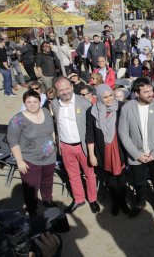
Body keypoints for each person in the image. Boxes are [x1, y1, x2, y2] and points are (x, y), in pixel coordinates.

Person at [118, 77, 154, 220]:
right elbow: (123, 133)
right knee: (139, 182)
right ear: (136, 93)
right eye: (146, 92)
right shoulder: (127, 108)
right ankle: (140, 202)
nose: (150, 94)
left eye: (151, 90)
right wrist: (136, 154)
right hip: (137, 156)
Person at [51, 77, 99, 214]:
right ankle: (79, 199)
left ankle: (93, 199)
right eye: (61, 90)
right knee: (73, 175)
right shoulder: (54, 103)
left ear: (72, 87)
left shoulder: (84, 103)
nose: (65, 92)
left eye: (67, 88)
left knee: (90, 174)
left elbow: (92, 127)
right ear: (56, 91)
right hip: (65, 146)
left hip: (82, 146)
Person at [7, 90, 57, 217]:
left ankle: (47, 200)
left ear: (40, 102)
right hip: (30, 160)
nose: (32, 104)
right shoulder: (18, 119)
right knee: (31, 188)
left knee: (47, 182)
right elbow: (13, 142)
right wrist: (19, 161)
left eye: (35, 101)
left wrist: (55, 144)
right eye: (28, 102)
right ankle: (32, 208)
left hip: (49, 157)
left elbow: (51, 132)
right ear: (24, 103)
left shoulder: (46, 112)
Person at [86, 84, 129, 216]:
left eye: (111, 95)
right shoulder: (92, 111)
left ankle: (123, 201)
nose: (110, 99)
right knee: (109, 178)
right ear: (99, 97)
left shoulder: (121, 107)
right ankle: (115, 202)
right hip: (103, 148)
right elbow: (90, 134)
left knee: (122, 176)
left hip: (119, 147)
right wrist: (91, 154)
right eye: (105, 97)